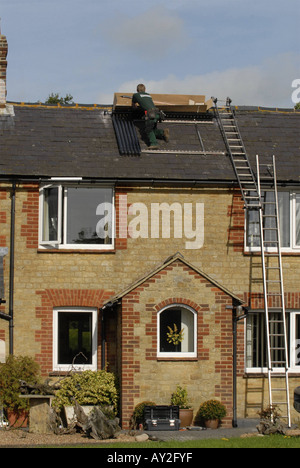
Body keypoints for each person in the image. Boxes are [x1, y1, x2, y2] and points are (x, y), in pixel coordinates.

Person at [132, 84, 169, 149]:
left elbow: (134, 107)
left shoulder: (135, 95)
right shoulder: (148, 95)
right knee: (153, 130)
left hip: (150, 114)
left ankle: (154, 144)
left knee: (148, 130)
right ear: (145, 90)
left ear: (137, 90)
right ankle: (163, 132)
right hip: (157, 113)